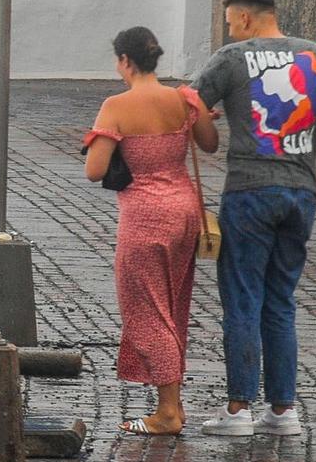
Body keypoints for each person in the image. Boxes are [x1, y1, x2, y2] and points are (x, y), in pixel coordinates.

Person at [190, 0, 316, 437]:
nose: (230, 32)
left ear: (244, 18)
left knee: (242, 298)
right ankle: (283, 411)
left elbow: (189, 109)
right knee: (280, 301)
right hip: (300, 193)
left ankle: (238, 408)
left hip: (249, 191)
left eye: (230, 23)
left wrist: (210, 122)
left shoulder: (231, 59)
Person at [82, 27, 217, 436]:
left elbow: (95, 171)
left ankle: (168, 412)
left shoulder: (116, 105)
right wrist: (201, 111)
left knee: (146, 310)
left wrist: (102, 142)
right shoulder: (183, 99)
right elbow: (209, 144)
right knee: (173, 306)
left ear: (125, 61)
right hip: (185, 211)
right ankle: (174, 403)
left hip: (144, 218)